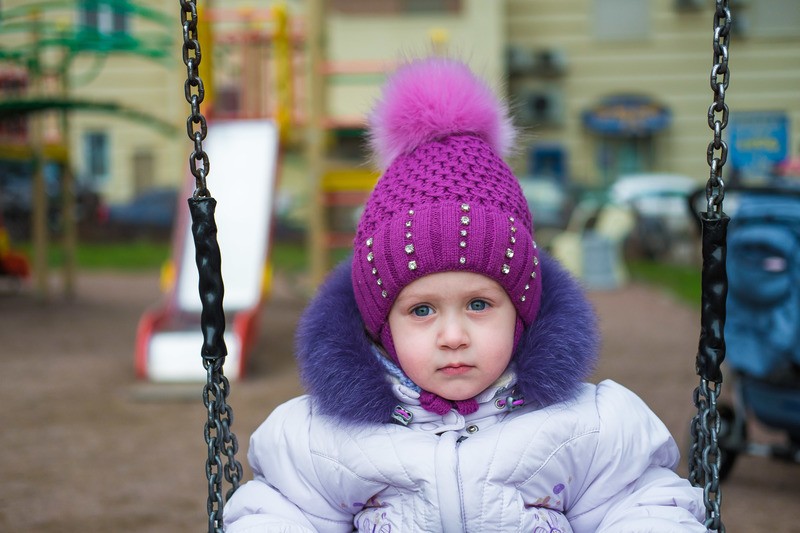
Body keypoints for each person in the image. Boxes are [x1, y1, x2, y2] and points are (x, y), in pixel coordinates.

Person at [223, 57, 707, 532]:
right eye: (421, 310)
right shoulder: (322, 439)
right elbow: (277, 512)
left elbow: (644, 504)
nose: (452, 336)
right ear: (379, 325)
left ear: (522, 312)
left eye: (479, 304)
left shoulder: (588, 426)